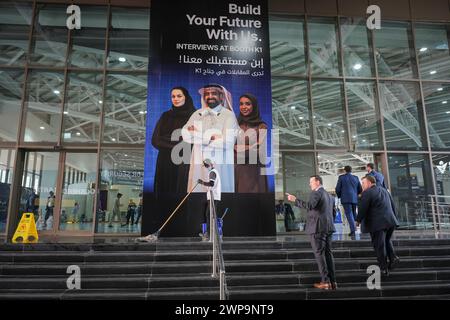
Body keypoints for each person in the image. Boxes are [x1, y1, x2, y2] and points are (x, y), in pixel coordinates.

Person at [182, 84, 238, 194]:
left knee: (219, 196)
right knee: (198, 196)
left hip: (220, 164)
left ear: (221, 96)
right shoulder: (197, 114)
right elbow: (185, 135)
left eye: (214, 93)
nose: (210, 96)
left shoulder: (229, 115)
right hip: (198, 163)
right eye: (207, 94)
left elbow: (228, 143)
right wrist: (210, 138)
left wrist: (197, 135)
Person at [286, 176, 337, 290]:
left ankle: (325, 282)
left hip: (317, 229)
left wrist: (295, 200)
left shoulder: (316, 192)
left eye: (311, 182)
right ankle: (333, 282)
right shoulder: (329, 195)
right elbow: (333, 213)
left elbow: (310, 206)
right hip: (328, 228)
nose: (310, 184)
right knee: (328, 254)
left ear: (317, 182)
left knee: (319, 254)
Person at [152, 87, 197, 194]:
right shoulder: (166, 116)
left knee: (183, 189)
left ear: (186, 97)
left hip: (186, 159)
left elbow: (195, 139)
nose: (176, 99)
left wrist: (167, 140)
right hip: (165, 160)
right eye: (173, 96)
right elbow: (155, 140)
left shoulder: (195, 116)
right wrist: (180, 142)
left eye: (179, 96)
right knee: (165, 191)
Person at [356, 175, 400, 276]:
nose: (362, 185)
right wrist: (394, 218)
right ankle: (393, 258)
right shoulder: (384, 190)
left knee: (379, 246)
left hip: (377, 224)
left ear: (369, 183)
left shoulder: (367, 192)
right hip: (390, 221)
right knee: (387, 241)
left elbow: (363, 208)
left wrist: (357, 220)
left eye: (363, 183)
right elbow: (393, 205)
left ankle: (383, 268)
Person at [234, 93, 269, 193]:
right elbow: (231, 147)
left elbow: (261, 151)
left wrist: (241, 148)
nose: (244, 107)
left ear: (254, 106)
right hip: (237, 169)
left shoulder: (262, 126)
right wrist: (251, 146)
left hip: (254, 171)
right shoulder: (235, 125)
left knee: (252, 202)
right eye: (241, 104)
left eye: (247, 104)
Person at [197, 159, 221, 241]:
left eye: (206, 166)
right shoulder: (213, 172)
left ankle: (210, 235)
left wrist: (202, 182)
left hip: (213, 197)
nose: (206, 168)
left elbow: (211, 183)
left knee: (209, 215)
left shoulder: (212, 172)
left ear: (208, 165)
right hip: (212, 197)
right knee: (209, 215)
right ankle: (209, 233)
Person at [335, 165, 362, 237]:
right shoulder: (356, 178)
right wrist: (356, 194)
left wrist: (340, 196)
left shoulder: (341, 177)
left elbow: (337, 188)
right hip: (354, 198)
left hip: (346, 199)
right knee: (353, 214)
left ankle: (353, 230)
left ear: (344, 170)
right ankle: (355, 226)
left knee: (349, 214)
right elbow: (360, 189)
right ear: (351, 170)